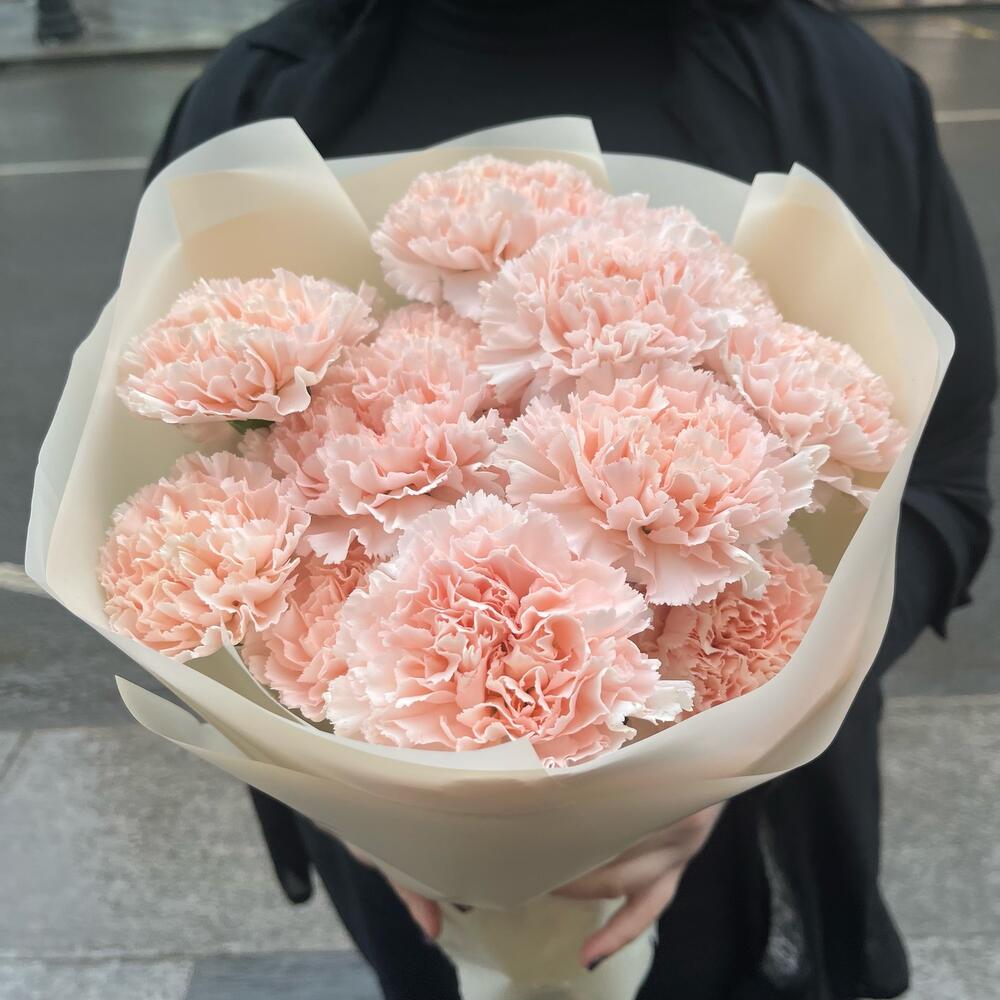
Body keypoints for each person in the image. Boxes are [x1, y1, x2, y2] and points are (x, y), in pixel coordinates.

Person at [148, 2, 996, 997]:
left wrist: (737, 741)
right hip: (398, 864)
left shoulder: (838, 88)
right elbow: (163, 466)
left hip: (747, 829)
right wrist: (346, 788)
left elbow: (943, 481)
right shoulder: (251, 94)